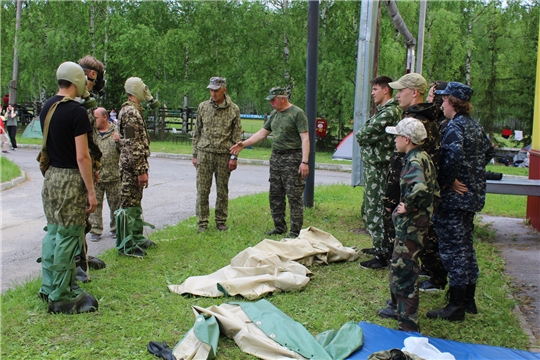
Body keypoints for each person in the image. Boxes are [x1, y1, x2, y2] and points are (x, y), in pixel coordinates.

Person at [427, 82, 495, 321]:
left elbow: (451, 156)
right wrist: (472, 172)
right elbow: (487, 152)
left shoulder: (455, 126)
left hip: (455, 200)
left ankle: (455, 306)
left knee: (453, 250)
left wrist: (448, 180)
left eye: (444, 101)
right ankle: (468, 300)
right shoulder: (475, 126)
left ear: (453, 103)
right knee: (466, 248)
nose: (442, 104)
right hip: (472, 196)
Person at [374, 73, 447, 294]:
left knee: (412, 245)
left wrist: (392, 197)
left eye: (400, 91)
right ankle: (427, 275)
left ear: (414, 92)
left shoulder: (418, 122)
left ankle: (423, 282)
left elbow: (406, 165)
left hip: (411, 195)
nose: (396, 95)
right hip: (414, 193)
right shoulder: (422, 117)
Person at [38, 61, 98, 314]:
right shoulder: (75, 111)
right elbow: (82, 157)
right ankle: (62, 296)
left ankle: (49, 285)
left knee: (53, 232)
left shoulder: (47, 107)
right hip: (70, 180)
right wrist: (91, 191)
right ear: (77, 81)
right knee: (68, 235)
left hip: (51, 177)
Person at [377, 118, 440, 332]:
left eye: (396, 137)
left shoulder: (414, 160)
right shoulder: (423, 157)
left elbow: (421, 189)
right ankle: (397, 307)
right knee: (399, 265)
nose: (394, 141)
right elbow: (436, 191)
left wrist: (409, 206)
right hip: (417, 223)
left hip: (412, 225)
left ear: (406, 139)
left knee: (404, 269)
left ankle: (408, 321)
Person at [230, 87, 309, 238]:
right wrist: (243, 144)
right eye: (270, 100)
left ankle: (295, 231)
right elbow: (262, 133)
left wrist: (304, 162)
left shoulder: (297, 113)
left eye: (273, 100)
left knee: (293, 195)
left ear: (282, 98)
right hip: (276, 158)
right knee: (275, 194)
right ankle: (279, 226)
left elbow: (305, 138)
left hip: (292, 157)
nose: (271, 103)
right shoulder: (275, 114)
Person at [355, 76, 401, 266]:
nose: (372, 93)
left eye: (375, 89)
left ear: (385, 90)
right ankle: (378, 245)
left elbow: (362, 134)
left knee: (376, 209)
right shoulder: (384, 111)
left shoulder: (389, 112)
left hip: (380, 167)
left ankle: (382, 254)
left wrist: (367, 141)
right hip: (375, 165)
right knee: (369, 207)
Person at [192, 77, 242, 233]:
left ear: (224, 90)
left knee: (222, 189)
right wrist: (195, 154)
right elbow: (197, 131)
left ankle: (220, 220)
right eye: (211, 90)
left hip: (223, 154)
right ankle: (202, 222)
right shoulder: (203, 107)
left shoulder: (234, 109)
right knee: (202, 189)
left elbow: (237, 136)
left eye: (216, 90)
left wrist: (234, 157)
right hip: (204, 153)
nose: (213, 93)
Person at [116, 77, 156, 257]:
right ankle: (127, 244)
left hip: (133, 164)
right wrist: (141, 170)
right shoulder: (131, 113)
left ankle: (137, 237)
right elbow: (132, 144)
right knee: (129, 204)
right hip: (131, 167)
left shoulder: (133, 110)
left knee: (135, 201)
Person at [76, 55, 107, 281]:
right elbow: (84, 143)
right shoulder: (77, 102)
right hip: (74, 167)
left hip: (83, 164)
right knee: (76, 216)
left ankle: (83, 256)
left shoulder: (81, 100)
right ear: (92, 75)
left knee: (83, 216)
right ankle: (77, 263)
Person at [88, 107, 121, 241]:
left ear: (105, 117)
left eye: (96, 118)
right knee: (95, 205)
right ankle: (95, 229)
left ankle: (116, 228)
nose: (93, 120)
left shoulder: (116, 130)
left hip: (113, 175)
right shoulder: (91, 132)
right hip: (96, 175)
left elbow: (126, 150)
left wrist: (119, 141)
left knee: (116, 204)